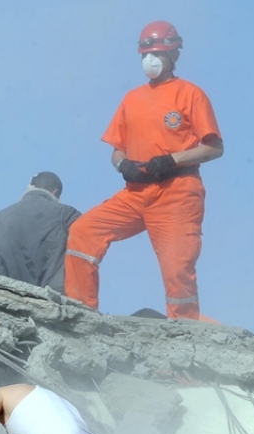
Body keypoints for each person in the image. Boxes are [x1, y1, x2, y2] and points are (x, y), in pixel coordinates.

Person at [64, 21, 223, 320]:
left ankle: (185, 340)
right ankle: (80, 314)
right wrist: (122, 164)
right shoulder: (132, 98)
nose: (150, 60)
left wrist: (172, 160)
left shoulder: (190, 94)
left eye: (158, 54)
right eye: (145, 54)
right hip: (135, 193)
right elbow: (116, 148)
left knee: (178, 270)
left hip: (177, 194)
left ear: (174, 54)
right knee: (84, 231)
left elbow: (214, 148)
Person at [0, 172, 81, 292]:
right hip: (47, 304)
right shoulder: (67, 215)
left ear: (30, 187)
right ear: (55, 192)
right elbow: (86, 250)